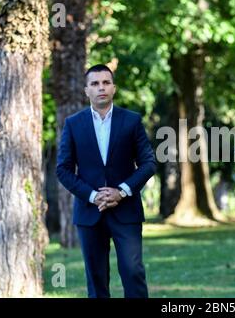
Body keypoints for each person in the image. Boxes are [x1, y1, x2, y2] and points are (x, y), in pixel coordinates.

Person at [57, 64, 156, 298]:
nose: (101, 87)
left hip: (126, 211)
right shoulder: (73, 124)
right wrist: (93, 195)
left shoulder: (131, 121)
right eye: (95, 83)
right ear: (86, 91)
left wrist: (121, 191)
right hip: (89, 213)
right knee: (96, 279)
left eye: (105, 83)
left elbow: (149, 163)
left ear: (114, 88)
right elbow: (63, 169)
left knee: (133, 274)